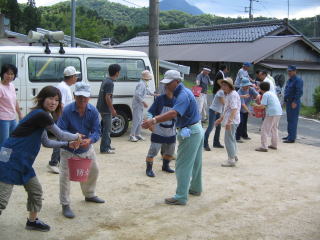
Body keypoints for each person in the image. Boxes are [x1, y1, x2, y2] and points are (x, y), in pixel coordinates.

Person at [0, 86, 81, 232]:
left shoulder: (43, 116)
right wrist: (76, 136)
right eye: (50, 98)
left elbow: (47, 142)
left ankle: (32, 221)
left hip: (23, 161)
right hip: (10, 158)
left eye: (57, 100)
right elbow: (61, 134)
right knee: (1, 200)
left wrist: (68, 144)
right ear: (42, 98)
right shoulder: (40, 115)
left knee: (36, 191)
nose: (53, 102)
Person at [142, 70, 203, 206]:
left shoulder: (182, 95)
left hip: (190, 131)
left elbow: (174, 112)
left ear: (177, 82)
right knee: (196, 163)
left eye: (168, 83)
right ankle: (195, 188)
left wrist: (153, 120)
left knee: (182, 165)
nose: (166, 86)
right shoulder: (183, 92)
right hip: (195, 129)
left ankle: (181, 196)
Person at [58, 82, 104, 219]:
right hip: (68, 149)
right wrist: (72, 139)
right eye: (79, 97)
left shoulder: (93, 111)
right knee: (65, 177)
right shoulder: (66, 110)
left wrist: (90, 140)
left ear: (89, 97)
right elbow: (60, 130)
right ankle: (65, 204)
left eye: (85, 97)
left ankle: (89, 195)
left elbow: (97, 131)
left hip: (87, 148)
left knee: (94, 170)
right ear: (74, 96)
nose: (82, 100)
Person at [48, 66, 80, 174]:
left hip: (63, 117)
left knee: (63, 140)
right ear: (71, 77)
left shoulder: (64, 86)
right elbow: (61, 105)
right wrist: (66, 119)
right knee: (60, 140)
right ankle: (53, 163)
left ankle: (60, 162)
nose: (76, 78)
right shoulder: (63, 87)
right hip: (62, 117)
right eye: (76, 76)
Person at [145, 87, 176, 177]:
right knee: (153, 150)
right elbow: (150, 112)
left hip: (171, 130)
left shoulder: (177, 100)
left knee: (170, 150)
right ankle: (149, 169)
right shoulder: (160, 99)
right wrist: (150, 123)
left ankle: (165, 166)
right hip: (158, 129)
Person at [215, 77, 241, 167]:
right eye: (222, 85)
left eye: (225, 85)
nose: (223, 86)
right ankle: (233, 155)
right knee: (231, 138)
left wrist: (229, 122)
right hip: (232, 120)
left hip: (232, 121)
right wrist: (221, 118)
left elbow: (234, 109)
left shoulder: (232, 94)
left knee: (228, 139)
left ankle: (231, 159)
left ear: (230, 86)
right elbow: (227, 109)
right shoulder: (229, 94)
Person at [97, 64, 121, 154]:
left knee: (107, 128)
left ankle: (108, 145)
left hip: (101, 107)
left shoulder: (105, 80)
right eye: (119, 72)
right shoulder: (110, 83)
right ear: (117, 73)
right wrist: (112, 109)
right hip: (106, 109)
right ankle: (104, 149)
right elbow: (107, 97)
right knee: (107, 129)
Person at [253, 82, 282, 152]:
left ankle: (264, 147)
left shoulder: (265, 94)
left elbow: (263, 106)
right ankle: (274, 144)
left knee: (264, 129)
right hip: (278, 112)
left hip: (271, 113)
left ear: (261, 88)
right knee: (274, 128)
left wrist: (255, 105)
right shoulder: (272, 93)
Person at [0, 64, 23, 148]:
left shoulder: (12, 85)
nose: (10, 76)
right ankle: (3, 160)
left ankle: (8, 159)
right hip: (3, 120)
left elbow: (15, 101)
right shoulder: (0, 87)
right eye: (7, 73)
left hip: (12, 118)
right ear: (2, 74)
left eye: (12, 74)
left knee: (14, 139)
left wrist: (20, 114)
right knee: (4, 143)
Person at [129, 70, 156, 142]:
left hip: (139, 104)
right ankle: (132, 135)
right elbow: (137, 94)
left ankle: (137, 134)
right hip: (137, 104)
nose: (149, 79)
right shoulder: (141, 84)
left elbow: (147, 91)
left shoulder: (144, 83)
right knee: (136, 120)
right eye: (149, 78)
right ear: (146, 78)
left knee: (140, 119)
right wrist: (144, 102)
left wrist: (154, 94)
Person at [283, 65, 303, 143]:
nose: (289, 72)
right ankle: (289, 135)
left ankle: (292, 138)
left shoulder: (298, 80)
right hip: (288, 102)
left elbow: (299, 92)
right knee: (289, 119)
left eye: (291, 71)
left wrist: (295, 101)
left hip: (294, 102)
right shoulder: (289, 80)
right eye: (288, 71)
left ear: (295, 71)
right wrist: (285, 100)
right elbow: (287, 90)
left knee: (293, 120)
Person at [204, 79, 225, 151]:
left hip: (217, 112)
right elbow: (223, 103)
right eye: (224, 84)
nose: (225, 86)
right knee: (210, 127)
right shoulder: (221, 92)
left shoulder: (224, 92)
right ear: (221, 85)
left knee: (218, 127)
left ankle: (216, 142)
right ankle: (205, 143)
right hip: (213, 111)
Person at [236, 78, 258, 143]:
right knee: (240, 122)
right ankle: (237, 137)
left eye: (248, 85)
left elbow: (257, 95)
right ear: (242, 85)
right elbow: (243, 104)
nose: (247, 86)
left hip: (246, 109)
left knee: (244, 123)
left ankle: (244, 135)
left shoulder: (251, 89)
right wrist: (249, 112)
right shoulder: (239, 92)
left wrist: (256, 99)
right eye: (246, 85)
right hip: (239, 109)